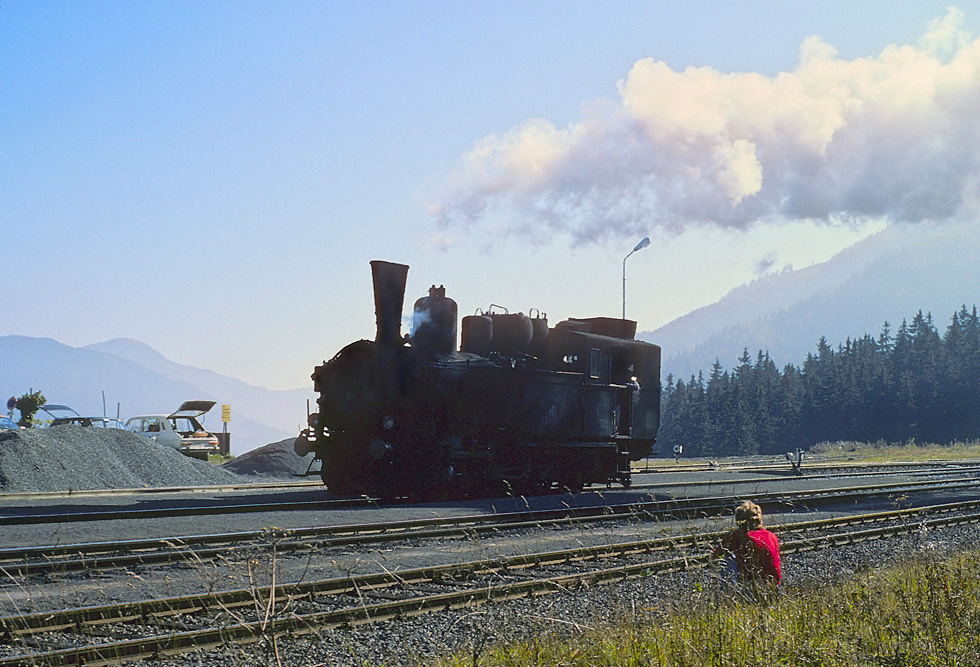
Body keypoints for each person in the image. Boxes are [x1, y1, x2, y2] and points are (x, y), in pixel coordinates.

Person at [712, 500, 781, 591]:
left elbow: (716, 556)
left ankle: (727, 596)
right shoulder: (771, 536)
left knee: (727, 559)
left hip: (751, 586)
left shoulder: (736, 535)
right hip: (775, 586)